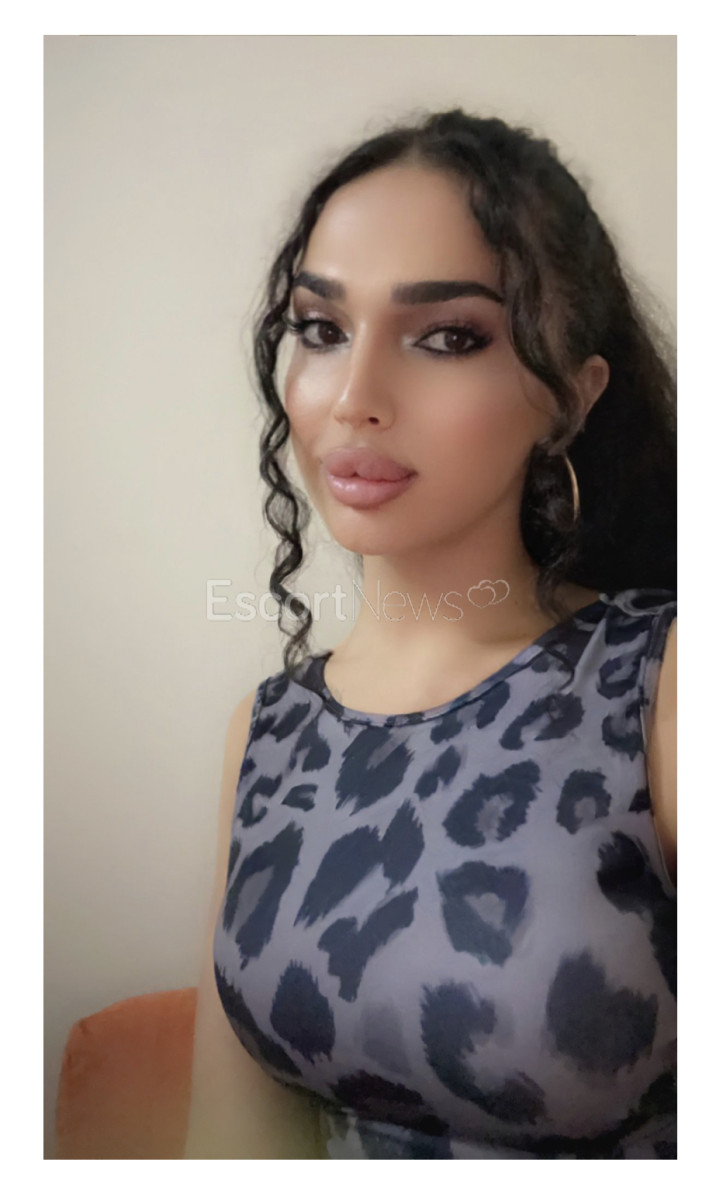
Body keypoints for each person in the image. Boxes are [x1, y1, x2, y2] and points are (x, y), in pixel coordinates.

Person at [183, 109, 676, 1159]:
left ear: (568, 400)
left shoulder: (665, 684)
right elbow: (230, 1149)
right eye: (321, 329)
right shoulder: (266, 735)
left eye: (447, 336)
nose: (354, 399)